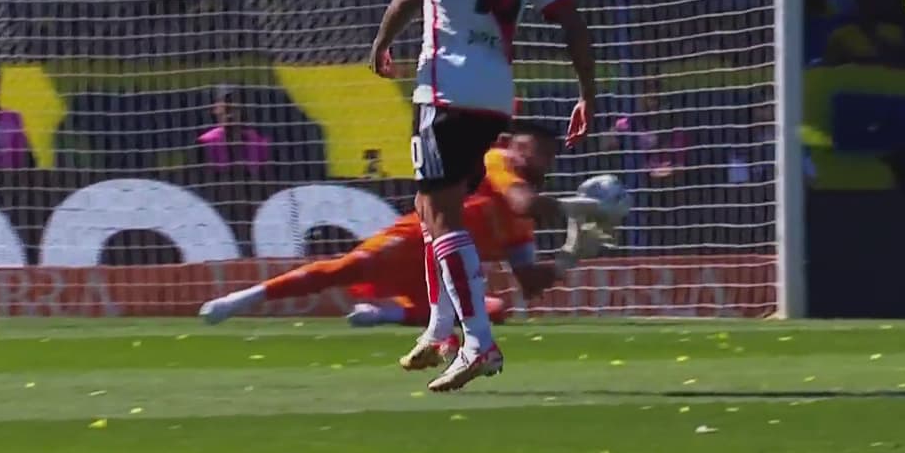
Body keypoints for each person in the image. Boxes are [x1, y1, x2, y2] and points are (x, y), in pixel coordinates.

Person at [366, 0, 599, 392]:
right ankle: (441, 327)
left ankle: (478, 342)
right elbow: (574, 24)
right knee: (429, 205)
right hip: (497, 93)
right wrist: (587, 93)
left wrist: (380, 42)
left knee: (442, 213)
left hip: (446, 88)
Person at [198, 123, 606, 360]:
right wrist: (582, 207)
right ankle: (241, 300)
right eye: (531, 148)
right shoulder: (497, 163)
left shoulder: (524, 225)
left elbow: (529, 282)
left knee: (493, 310)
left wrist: (570, 258)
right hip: (418, 238)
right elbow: (524, 201)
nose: (535, 159)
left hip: (447, 271)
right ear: (512, 145)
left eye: (546, 156)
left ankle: (386, 315)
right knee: (343, 269)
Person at [196, 85, 270, 176]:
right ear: (215, 110)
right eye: (226, 108)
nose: (230, 115)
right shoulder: (204, 143)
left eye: (234, 108)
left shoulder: (259, 143)